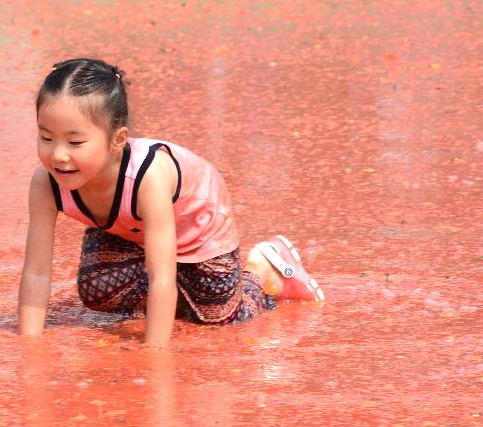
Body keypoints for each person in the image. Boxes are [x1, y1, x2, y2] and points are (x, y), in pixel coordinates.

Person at [18, 58, 324, 347]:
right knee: (98, 291)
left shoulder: (147, 178)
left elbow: (160, 274)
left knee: (219, 315)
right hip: (129, 228)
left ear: (117, 140)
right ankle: (185, 294)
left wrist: (155, 351)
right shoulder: (47, 181)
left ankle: (262, 270)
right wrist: (29, 344)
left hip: (197, 226)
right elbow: (36, 271)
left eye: (75, 142)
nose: (58, 155)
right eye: (46, 138)